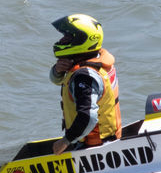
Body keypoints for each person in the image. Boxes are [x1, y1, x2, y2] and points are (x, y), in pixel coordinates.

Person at [50, 14, 122, 155]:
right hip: (109, 140)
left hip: (96, 149)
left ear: (81, 41)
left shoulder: (84, 76)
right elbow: (59, 80)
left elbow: (88, 116)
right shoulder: (97, 58)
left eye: (68, 37)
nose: (61, 40)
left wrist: (65, 141)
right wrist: (58, 71)